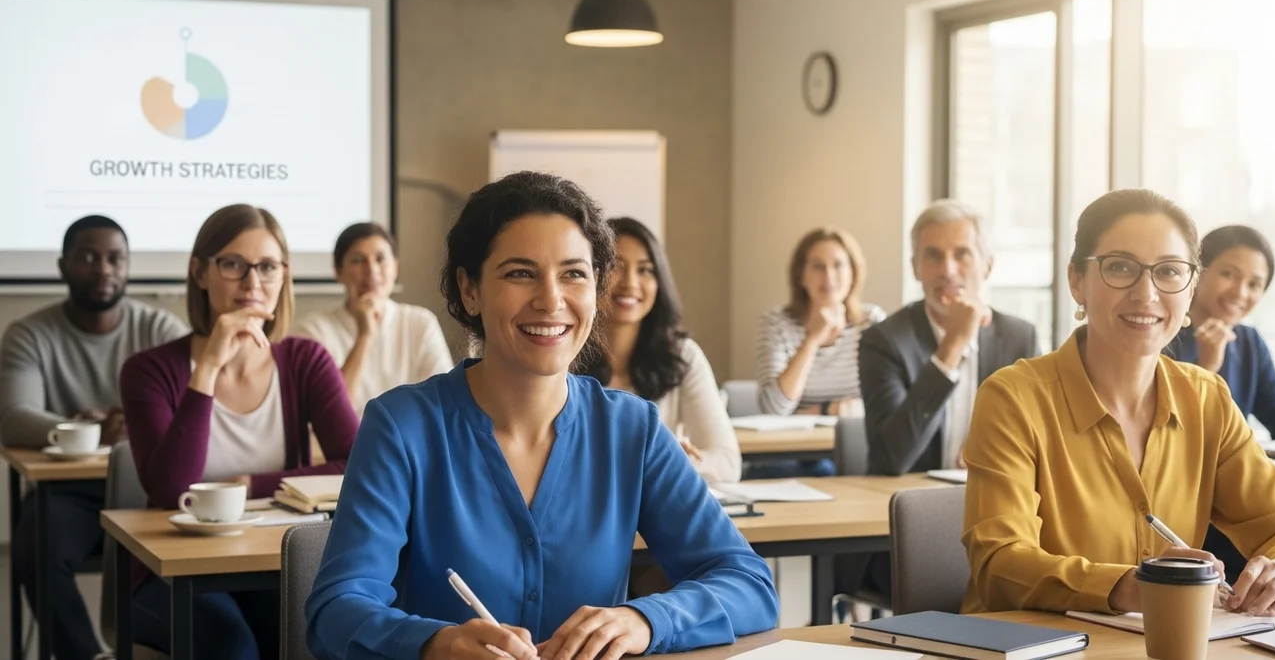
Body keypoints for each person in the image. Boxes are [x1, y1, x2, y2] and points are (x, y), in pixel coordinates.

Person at [306, 171, 777, 660]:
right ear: (469, 290)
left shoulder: (631, 429)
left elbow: (748, 584)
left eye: (574, 273)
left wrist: (644, 619)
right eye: (520, 273)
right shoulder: (402, 427)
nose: (551, 300)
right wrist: (435, 643)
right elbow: (336, 611)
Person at [963, 188, 1275, 616]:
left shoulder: (1207, 399)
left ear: (1190, 290)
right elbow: (999, 563)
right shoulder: (1014, 398)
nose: (1146, 293)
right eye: (1119, 267)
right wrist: (1130, 587)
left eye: (1169, 272)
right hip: (1033, 647)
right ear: (1077, 280)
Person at [120, 204, 359, 659]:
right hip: (174, 575)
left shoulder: (306, 361)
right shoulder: (149, 371)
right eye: (233, 265)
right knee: (233, 648)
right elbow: (171, 490)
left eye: (267, 267)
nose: (253, 283)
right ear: (200, 272)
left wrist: (252, 485)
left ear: (283, 275)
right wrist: (207, 366)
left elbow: (354, 463)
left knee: (318, 638)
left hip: (274, 562)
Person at [0, 215, 187, 660]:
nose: (103, 269)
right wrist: (90, 429)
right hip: (71, 493)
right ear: (63, 266)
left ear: (127, 266)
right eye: (88, 257)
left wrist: (141, 420)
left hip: (151, 491)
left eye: (114, 258)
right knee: (35, 548)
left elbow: (197, 405)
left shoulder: (159, 328)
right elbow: (12, 416)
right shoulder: (29, 333)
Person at [859, 200, 1038, 477]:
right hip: (912, 504)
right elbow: (890, 459)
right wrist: (952, 346)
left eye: (962, 254)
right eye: (933, 255)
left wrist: (991, 450)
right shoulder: (884, 341)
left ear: (988, 266)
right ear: (915, 268)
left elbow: (1040, 440)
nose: (948, 270)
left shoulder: (1019, 338)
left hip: (999, 499)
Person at [582, 217, 741, 484]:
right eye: (616, 267)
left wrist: (677, 461)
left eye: (645, 270)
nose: (630, 283)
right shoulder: (562, 351)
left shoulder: (683, 355)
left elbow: (727, 464)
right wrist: (658, 459)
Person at [1166, 225, 1275, 583]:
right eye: (1229, 274)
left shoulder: (1248, 341)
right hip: (1187, 508)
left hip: (1239, 498)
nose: (1240, 292)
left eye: (1254, 284)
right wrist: (1207, 369)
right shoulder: (1161, 335)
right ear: (1198, 273)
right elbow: (1173, 433)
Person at [753, 227, 883, 479]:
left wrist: (820, 410)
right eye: (817, 266)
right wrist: (812, 339)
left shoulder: (872, 321)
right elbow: (774, 408)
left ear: (853, 273)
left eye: (838, 265)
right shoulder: (776, 323)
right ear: (801, 276)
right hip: (791, 453)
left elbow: (884, 403)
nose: (829, 276)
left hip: (859, 448)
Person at [295, 222, 452, 414]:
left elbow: (443, 401)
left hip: (406, 441)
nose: (371, 270)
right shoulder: (314, 331)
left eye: (380, 259)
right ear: (338, 271)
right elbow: (328, 415)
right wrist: (365, 336)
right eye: (358, 260)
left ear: (395, 267)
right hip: (346, 443)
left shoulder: (420, 323)